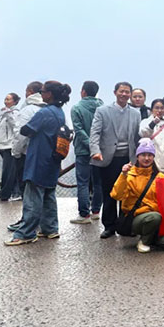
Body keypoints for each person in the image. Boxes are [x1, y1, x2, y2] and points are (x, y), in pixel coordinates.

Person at [5, 81, 71, 246]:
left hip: (39, 158)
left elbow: (26, 130)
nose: (41, 94)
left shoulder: (44, 113)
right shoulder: (60, 112)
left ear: (49, 94)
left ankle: (26, 233)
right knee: (49, 194)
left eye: (43, 91)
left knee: (33, 197)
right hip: (53, 159)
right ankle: (50, 228)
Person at [90, 81, 142, 239]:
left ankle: (124, 225)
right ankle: (109, 226)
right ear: (115, 92)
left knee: (128, 193)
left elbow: (137, 137)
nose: (124, 94)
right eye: (121, 91)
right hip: (108, 158)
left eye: (127, 92)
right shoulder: (102, 111)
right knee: (109, 192)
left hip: (128, 158)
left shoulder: (135, 113)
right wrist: (95, 151)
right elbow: (95, 133)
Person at [110, 138, 164, 253]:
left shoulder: (160, 177)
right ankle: (144, 241)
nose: (146, 158)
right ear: (137, 156)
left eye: (150, 155)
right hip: (137, 218)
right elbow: (116, 195)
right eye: (143, 155)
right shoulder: (130, 175)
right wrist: (123, 175)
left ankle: (151, 236)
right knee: (154, 217)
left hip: (156, 217)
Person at [4, 82, 45, 231]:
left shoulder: (27, 110)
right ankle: (42, 222)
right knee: (42, 190)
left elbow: (20, 134)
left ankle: (27, 222)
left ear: (30, 92)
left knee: (27, 190)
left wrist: (16, 152)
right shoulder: (49, 109)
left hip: (27, 154)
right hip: (45, 156)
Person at [69, 81, 104, 224]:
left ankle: (84, 215)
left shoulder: (76, 108)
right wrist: (95, 146)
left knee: (83, 182)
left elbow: (78, 130)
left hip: (83, 150)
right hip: (100, 150)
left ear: (83, 91)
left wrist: (89, 144)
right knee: (98, 182)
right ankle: (96, 211)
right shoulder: (103, 107)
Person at [139, 99, 164, 175]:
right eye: (157, 108)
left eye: (162, 108)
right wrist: (153, 123)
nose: (159, 110)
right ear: (152, 110)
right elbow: (143, 134)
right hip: (147, 162)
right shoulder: (145, 122)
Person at [0, 93, 20, 202]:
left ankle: (4, 194)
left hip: (10, 145)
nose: (6, 101)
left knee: (8, 171)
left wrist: (8, 115)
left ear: (15, 101)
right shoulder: (5, 113)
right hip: (5, 145)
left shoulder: (15, 113)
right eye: (5, 99)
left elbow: (16, 126)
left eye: (8, 99)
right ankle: (14, 192)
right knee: (9, 170)